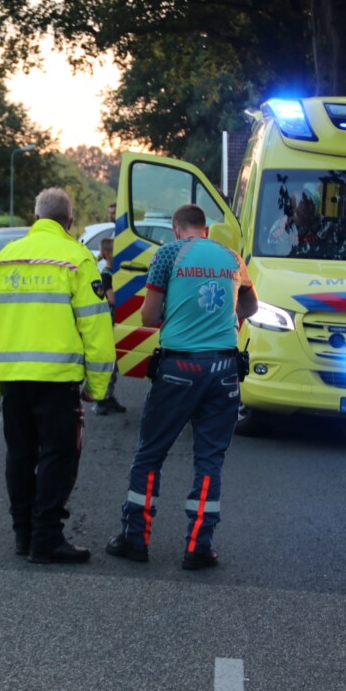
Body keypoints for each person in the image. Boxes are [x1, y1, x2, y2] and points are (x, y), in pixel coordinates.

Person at [107, 203, 257, 570]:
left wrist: (179, 312)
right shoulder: (231, 257)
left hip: (178, 367)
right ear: (205, 230)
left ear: (176, 230)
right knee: (209, 460)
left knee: (150, 454)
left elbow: (148, 316)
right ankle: (198, 546)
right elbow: (250, 307)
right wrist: (218, 317)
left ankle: (135, 538)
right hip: (224, 369)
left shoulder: (169, 253)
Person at [0, 187, 115, 565]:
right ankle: (47, 538)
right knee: (58, 457)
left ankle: (24, 535)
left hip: (12, 381)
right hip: (57, 381)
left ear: (35, 218)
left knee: (19, 455)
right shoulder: (77, 258)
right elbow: (97, 328)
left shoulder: (3, 259)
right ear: (69, 221)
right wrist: (97, 386)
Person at [92, 237, 126, 416]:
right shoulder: (106, 274)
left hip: (115, 322)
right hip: (109, 323)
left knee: (115, 364)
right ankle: (101, 400)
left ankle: (108, 396)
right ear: (107, 254)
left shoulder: (114, 273)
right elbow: (111, 299)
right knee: (110, 362)